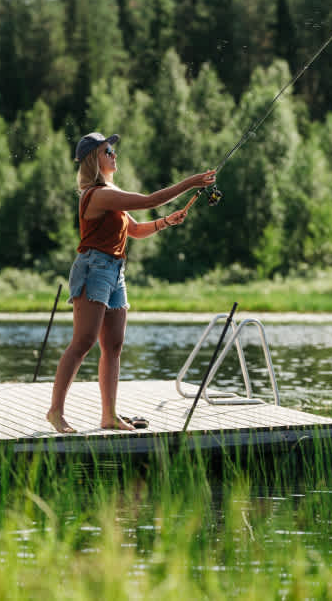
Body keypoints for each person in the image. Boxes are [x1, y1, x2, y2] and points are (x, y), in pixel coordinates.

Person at [47, 132, 216, 433]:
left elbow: (134, 230)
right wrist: (191, 182)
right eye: (107, 151)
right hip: (93, 268)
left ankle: (109, 416)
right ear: (93, 159)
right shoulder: (97, 194)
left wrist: (166, 221)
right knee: (83, 342)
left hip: (115, 271)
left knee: (113, 345)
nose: (114, 154)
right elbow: (150, 200)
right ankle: (56, 412)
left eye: (112, 149)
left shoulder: (112, 193)